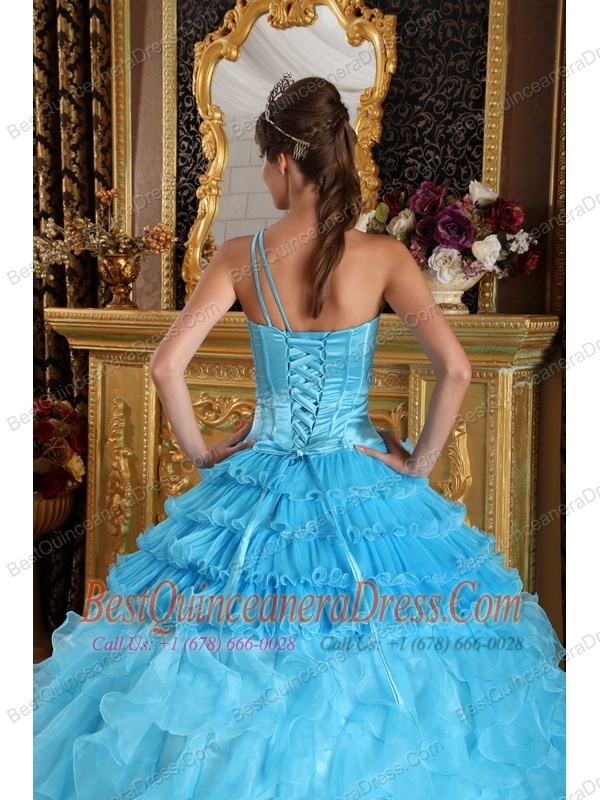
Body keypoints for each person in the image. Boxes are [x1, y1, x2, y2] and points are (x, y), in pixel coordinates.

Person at [34, 75, 565, 799]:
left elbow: (164, 367)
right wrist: (417, 465)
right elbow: (458, 370)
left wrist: (204, 456)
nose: (264, 175)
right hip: (363, 473)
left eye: (263, 160)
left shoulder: (239, 256)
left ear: (284, 161)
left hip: (258, 477)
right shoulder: (384, 256)